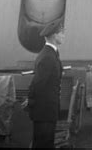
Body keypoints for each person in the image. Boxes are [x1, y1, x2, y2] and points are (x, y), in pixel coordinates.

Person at [27, 20, 64, 148]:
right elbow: (38, 85)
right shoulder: (48, 57)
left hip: (47, 109)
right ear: (54, 36)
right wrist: (31, 102)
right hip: (44, 111)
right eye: (61, 33)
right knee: (43, 144)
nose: (63, 36)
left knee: (46, 142)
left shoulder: (50, 53)